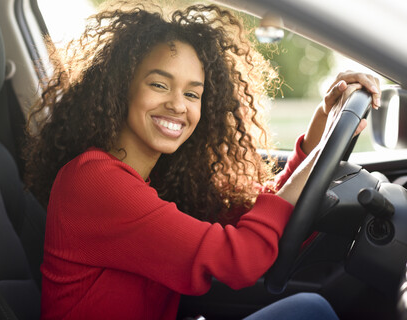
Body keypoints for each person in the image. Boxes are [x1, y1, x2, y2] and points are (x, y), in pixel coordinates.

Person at [23, 2, 381, 319]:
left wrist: (321, 125)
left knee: (310, 308)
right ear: (121, 88)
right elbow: (239, 259)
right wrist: (318, 158)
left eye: (192, 93)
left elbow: (260, 215)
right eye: (159, 85)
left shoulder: (154, 179)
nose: (178, 105)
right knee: (311, 310)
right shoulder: (96, 181)